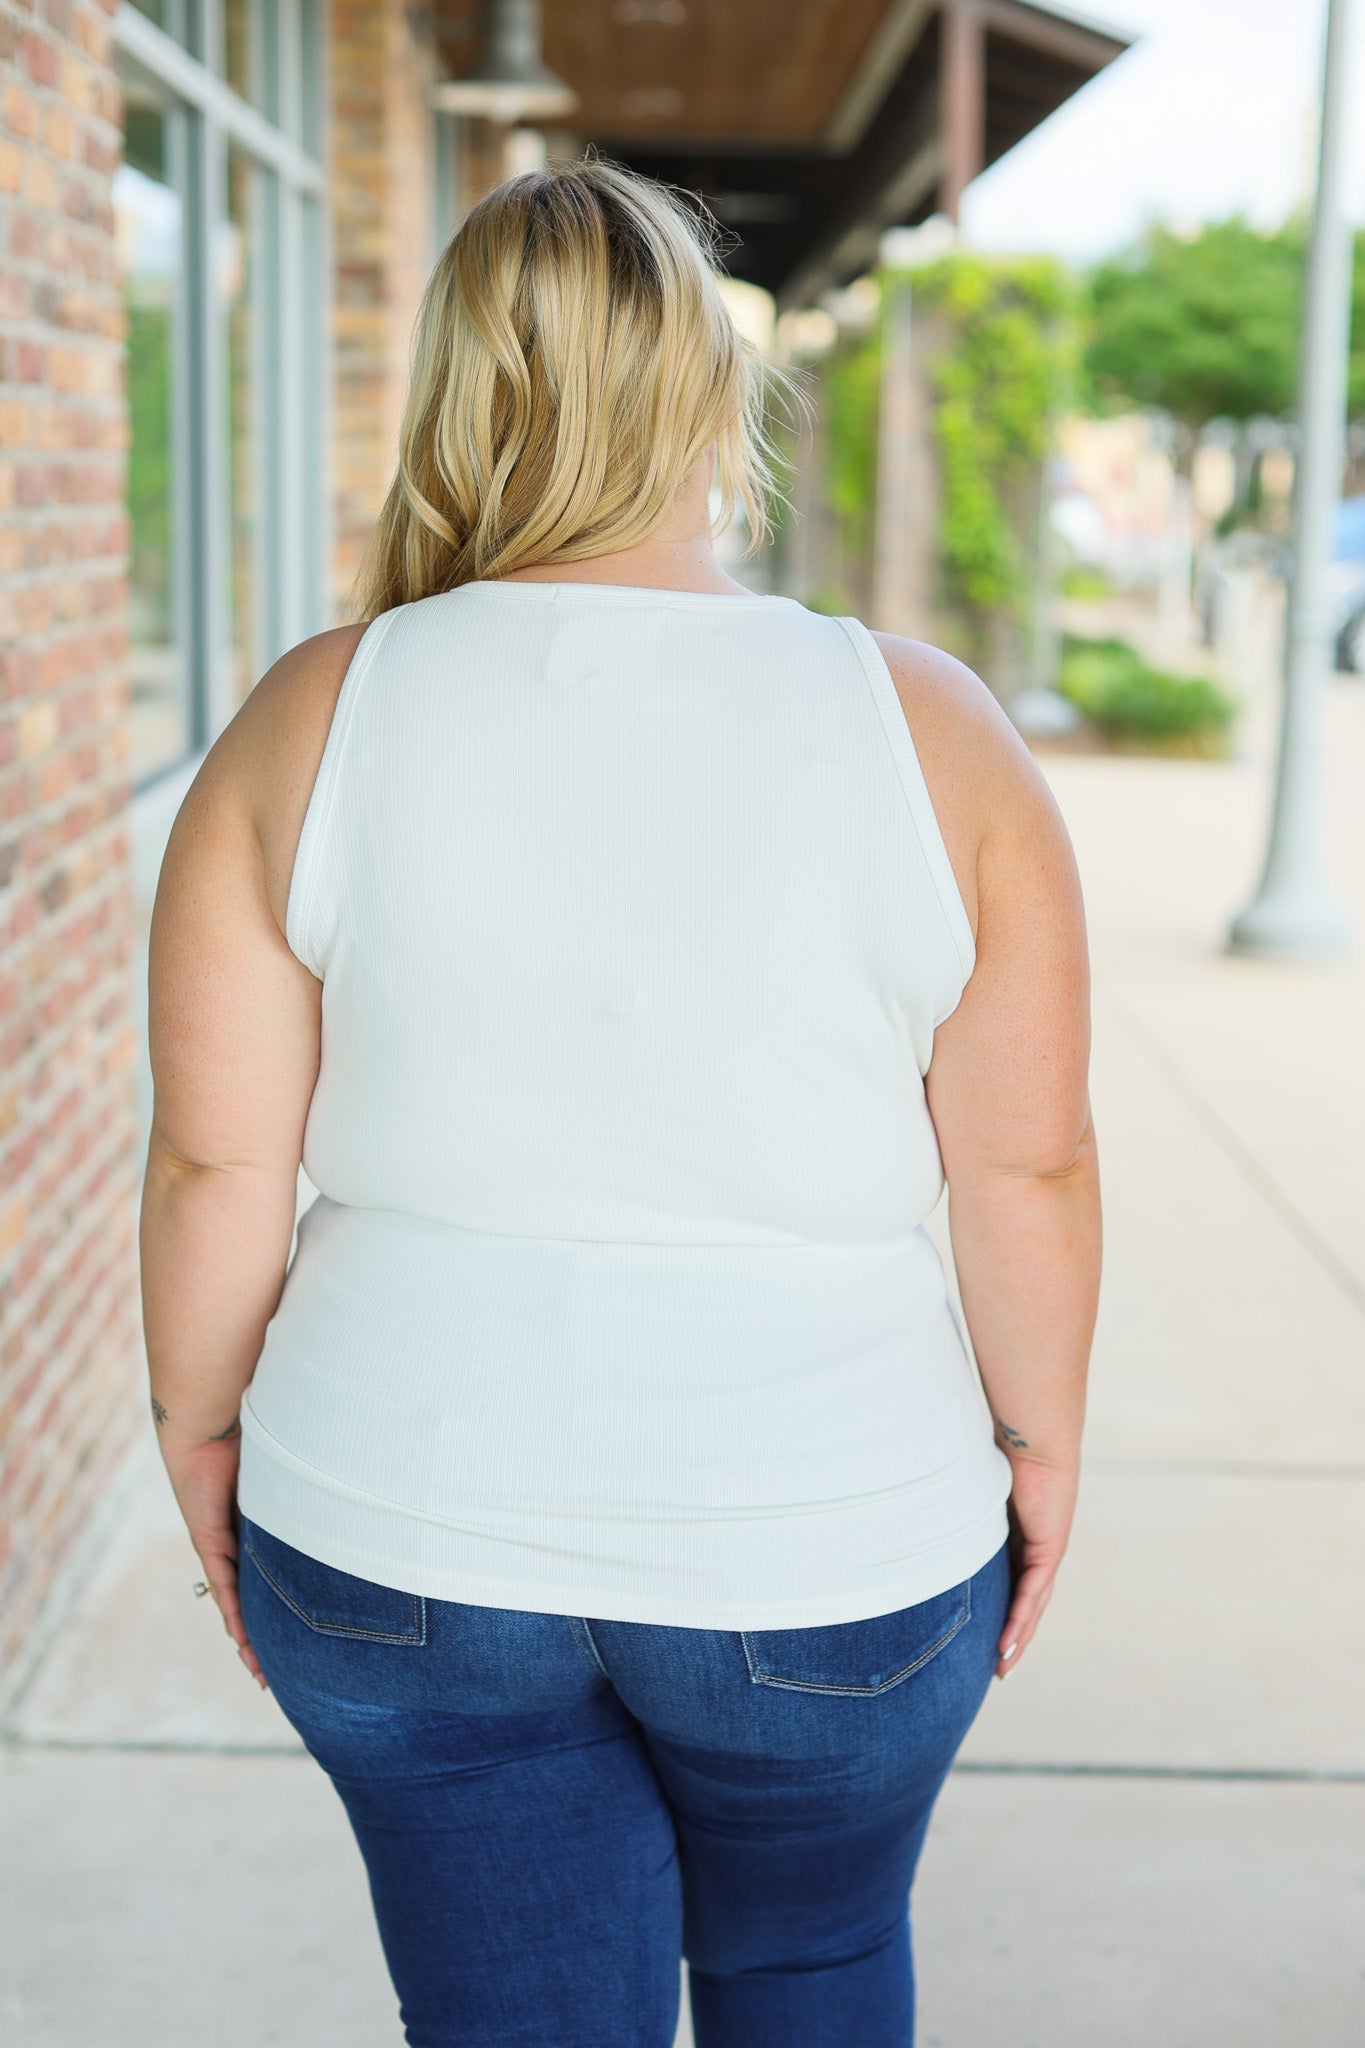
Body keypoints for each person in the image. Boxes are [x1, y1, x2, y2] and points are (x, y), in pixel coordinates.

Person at [140, 160, 1100, 2048]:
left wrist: (200, 1437)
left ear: (454, 392)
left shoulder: (308, 714)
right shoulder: (925, 723)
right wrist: (1039, 1448)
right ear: (708, 402)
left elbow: (213, 1161)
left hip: (397, 1526)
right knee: (808, 1964)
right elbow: (1027, 1161)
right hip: (829, 1535)